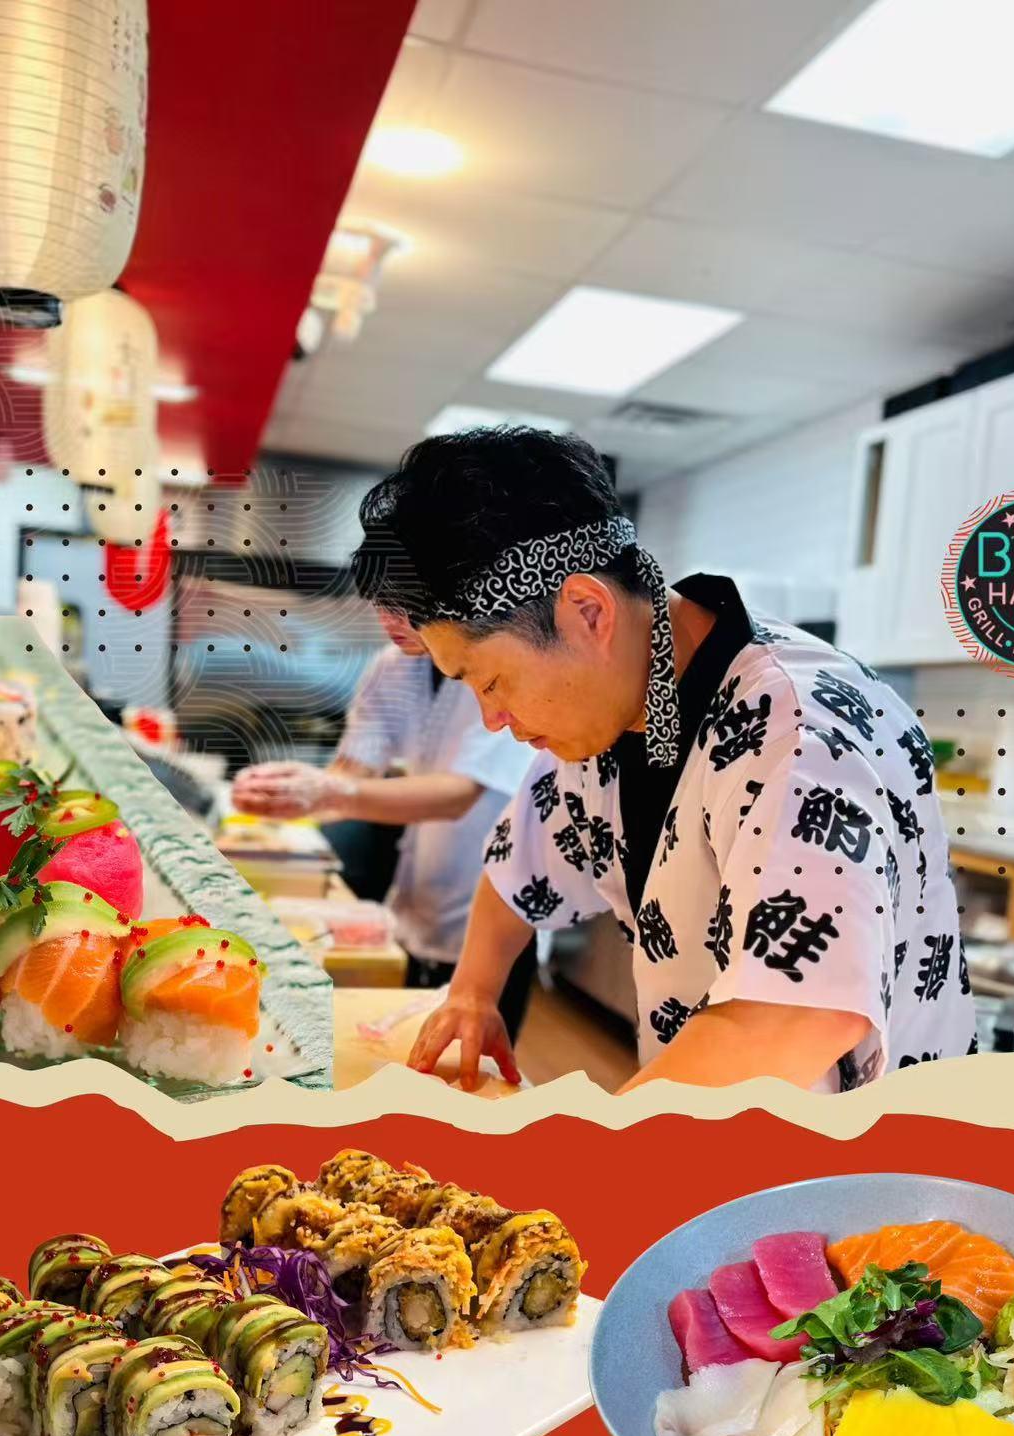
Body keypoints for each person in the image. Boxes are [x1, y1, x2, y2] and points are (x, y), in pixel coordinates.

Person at [349, 426, 976, 1094]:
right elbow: (515, 870)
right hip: (709, 1126)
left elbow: (795, 1018)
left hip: (865, 1163)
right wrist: (473, 990)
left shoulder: (799, 726)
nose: (491, 719)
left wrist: (594, 1145)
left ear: (587, 611)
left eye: (490, 680)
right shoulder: (616, 710)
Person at [232, 605, 536, 1042]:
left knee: (471, 1072)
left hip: (497, 909)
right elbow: (352, 771)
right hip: (413, 902)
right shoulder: (392, 669)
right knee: (404, 1051)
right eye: (380, 608)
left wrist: (329, 793)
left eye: (402, 608)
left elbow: (458, 795)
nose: (389, 623)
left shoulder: (494, 664)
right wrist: (289, 789)